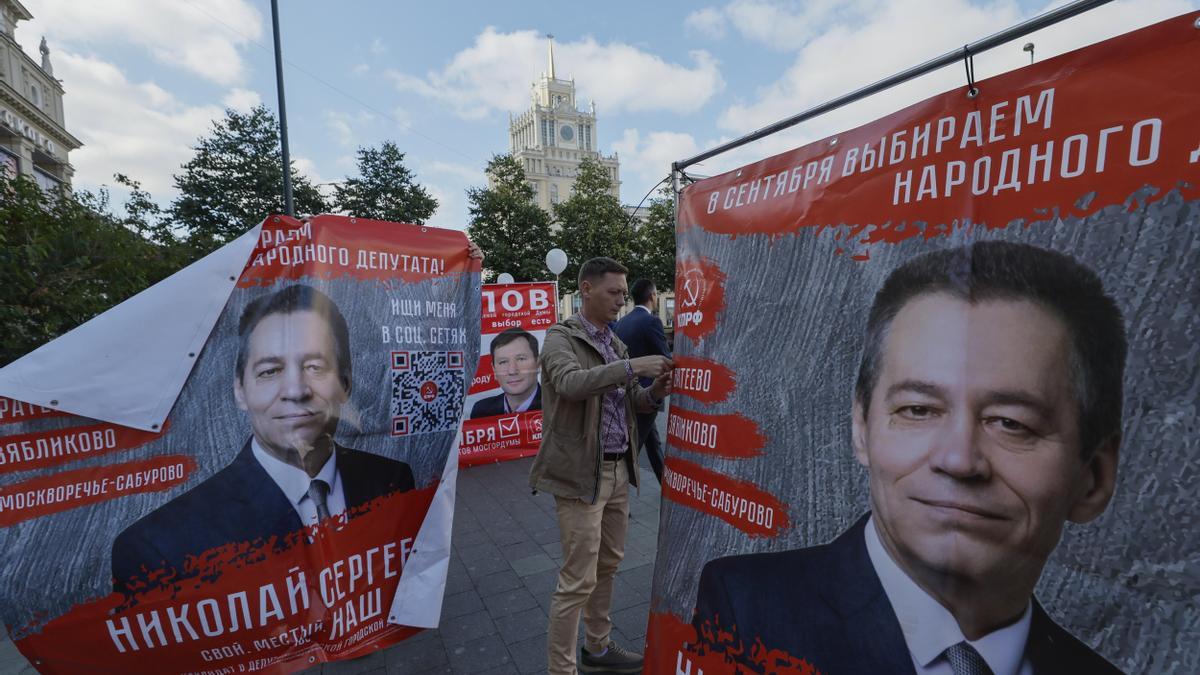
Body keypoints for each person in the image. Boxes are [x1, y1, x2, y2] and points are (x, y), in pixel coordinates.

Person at [693, 241, 1126, 675]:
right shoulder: (744, 613)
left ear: (1094, 477)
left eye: (1012, 422)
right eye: (918, 409)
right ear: (861, 429)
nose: (958, 460)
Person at [112, 284, 415, 594]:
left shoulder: (393, 479)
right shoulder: (158, 548)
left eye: (315, 367)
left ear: (345, 384)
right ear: (240, 391)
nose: (296, 391)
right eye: (270, 371)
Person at [530, 257, 673, 675]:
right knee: (577, 579)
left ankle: (597, 645)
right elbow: (571, 384)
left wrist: (654, 392)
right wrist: (631, 368)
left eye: (624, 294)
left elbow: (632, 403)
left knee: (608, 564)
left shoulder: (615, 342)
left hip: (617, 473)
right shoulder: (560, 337)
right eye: (613, 292)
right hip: (578, 475)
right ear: (586, 289)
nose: (620, 300)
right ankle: (562, 669)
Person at [614, 279, 671, 484]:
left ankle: (665, 485)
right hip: (647, 396)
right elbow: (666, 358)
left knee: (653, 444)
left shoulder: (622, 321)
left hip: (627, 393)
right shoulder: (651, 321)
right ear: (652, 296)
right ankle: (615, 497)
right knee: (630, 454)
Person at [469, 327, 541, 419]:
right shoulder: (480, 410)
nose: (512, 371)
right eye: (503, 362)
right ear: (494, 370)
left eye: (521, 359)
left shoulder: (556, 406)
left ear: (538, 364)